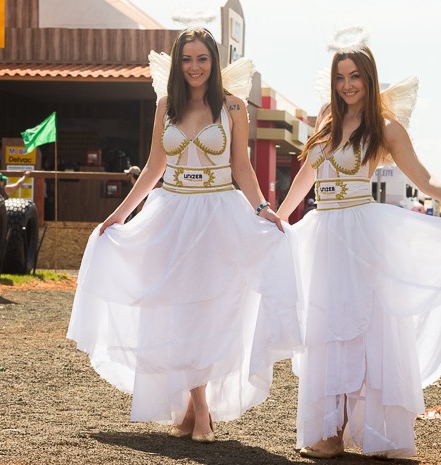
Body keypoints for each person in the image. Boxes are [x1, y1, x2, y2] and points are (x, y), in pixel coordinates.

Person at [277, 34, 441, 459]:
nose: (348, 85)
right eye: (341, 77)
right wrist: (280, 215)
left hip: (362, 237)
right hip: (324, 234)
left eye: (355, 78)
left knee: (365, 329)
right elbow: (307, 176)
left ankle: (370, 431)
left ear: (369, 79)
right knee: (327, 330)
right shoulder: (327, 117)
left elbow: (424, 178)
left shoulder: (386, 128)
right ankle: (329, 430)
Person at [67, 28, 301, 443]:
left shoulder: (232, 107)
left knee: (214, 311)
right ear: (178, 65)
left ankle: (196, 407)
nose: (195, 67)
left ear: (214, 62)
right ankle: (201, 410)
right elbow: (155, 165)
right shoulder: (165, 105)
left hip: (219, 217)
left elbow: (241, 168)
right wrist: (119, 214)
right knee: (176, 310)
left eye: (202, 59)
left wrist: (263, 209)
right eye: (187, 60)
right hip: (171, 215)